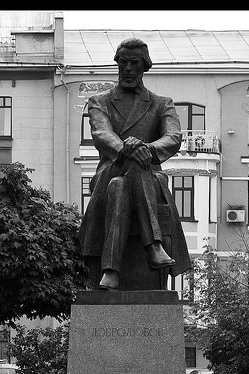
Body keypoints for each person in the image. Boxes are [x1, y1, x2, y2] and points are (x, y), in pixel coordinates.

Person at [78, 38, 191, 291]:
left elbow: (173, 137)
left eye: (134, 63)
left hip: (147, 175)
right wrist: (127, 148)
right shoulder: (100, 101)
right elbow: (101, 134)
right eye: (123, 62)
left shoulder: (162, 103)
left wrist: (147, 150)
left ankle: (110, 270)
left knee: (121, 186)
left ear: (144, 66)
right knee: (123, 174)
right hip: (111, 168)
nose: (128, 68)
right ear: (117, 64)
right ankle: (154, 246)